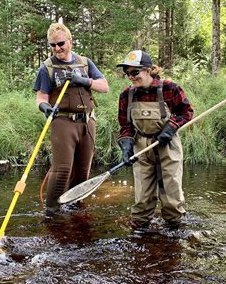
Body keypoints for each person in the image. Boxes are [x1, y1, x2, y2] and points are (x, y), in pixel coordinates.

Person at [33, 23, 109, 216]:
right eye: (52, 45)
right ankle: (52, 211)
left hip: (87, 122)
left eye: (60, 43)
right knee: (62, 169)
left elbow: (104, 86)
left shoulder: (85, 63)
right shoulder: (47, 68)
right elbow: (41, 96)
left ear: (70, 41)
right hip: (62, 122)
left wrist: (84, 81)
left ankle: (76, 208)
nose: (57, 48)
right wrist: (44, 106)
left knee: (83, 171)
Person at [116, 50, 193, 230]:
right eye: (127, 73)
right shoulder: (126, 95)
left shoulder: (170, 88)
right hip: (141, 145)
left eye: (135, 72)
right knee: (142, 196)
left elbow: (186, 112)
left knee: (171, 193)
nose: (131, 77)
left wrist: (171, 127)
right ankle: (140, 230)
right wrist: (126, 144)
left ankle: (174, 228)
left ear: (149, 70)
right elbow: (125, 125)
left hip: (167, 145)